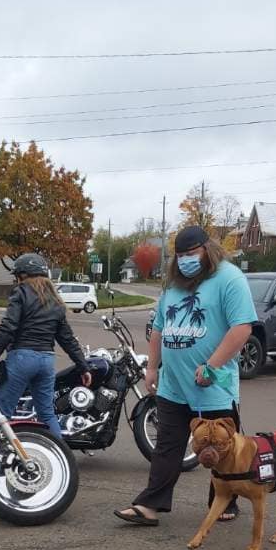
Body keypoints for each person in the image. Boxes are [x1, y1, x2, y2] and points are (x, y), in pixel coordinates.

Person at [114, 225, 257, 527]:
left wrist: (212, 366)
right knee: (167, 445)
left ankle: (224, 500)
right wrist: (152, 367)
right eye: (179, 256)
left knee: (220, 444)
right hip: (174, 384)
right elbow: (159, 329)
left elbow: (242, 327)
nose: (184, 261)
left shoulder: (229, 278)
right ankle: (150, 505)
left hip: (214, 383)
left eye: (190, 254)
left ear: (207, 250)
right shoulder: (174, 285)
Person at [0, 253, 91, 437]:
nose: (16, 280)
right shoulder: (56, 301)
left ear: (23, 275)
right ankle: (60, 454)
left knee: (2, 413)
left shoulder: (21, 292)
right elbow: (67, 339)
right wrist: (83, 367)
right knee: (46, 414)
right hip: (46, 361)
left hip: (22, 358)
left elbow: (8, 327)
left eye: (16, 276)